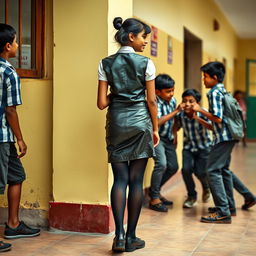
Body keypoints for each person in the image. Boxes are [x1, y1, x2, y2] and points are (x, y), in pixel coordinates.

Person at [97, 17, 159, 252]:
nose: (145, 42)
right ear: (131, 37)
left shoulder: (105, 63)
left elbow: (102, 103)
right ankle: (132, 236)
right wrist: (155, 128)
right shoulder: (146, 64)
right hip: (140, 125)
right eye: (144, 37)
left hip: (116, 125)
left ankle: (119, 237)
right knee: (136, 181)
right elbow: (151, 100)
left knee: (120, 180)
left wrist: (117, 95)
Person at [0, 23, 40, 251]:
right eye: (16, 41)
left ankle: (13, 224)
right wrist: (21, 139)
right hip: (2, 136)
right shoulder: (8, 72)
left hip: (4, 137)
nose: (18, 45)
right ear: (8, 46)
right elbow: (10, 110)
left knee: (16, 175)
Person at [193, 61, 238, 223]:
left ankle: (223, 211)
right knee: (224, 170)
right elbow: (217, 122)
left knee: (212, 170)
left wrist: (200, 110)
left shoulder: (213, 93)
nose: (203, 80)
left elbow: (217, 119)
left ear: (214, 77)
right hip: (229, 136)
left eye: (205, 77)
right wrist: (200, 117)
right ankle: (230, 206)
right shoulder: (223, 90)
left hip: (223, 138)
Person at [148, 74, 180, 212]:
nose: (171, 94)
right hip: (157, 139)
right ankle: (154, 198)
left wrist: (175, 134)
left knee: (173, 166)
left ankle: (155, 191)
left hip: (168, 138)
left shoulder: (172, 101)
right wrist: (176, 111)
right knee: (161, 164)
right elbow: (158, 121)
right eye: (168, 91)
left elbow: (174, 122)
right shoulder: (154, 102)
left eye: (172, 90)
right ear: (157, 91)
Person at [175, 89, 211, 208]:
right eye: (184, 101)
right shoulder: (181, 114)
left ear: (197, 103)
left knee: (200, 172)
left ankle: (206, 187)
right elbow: (176, 127)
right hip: (188, 147)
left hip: (204, 147)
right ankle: (192, 196)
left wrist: (197, 118)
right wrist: (175, 137)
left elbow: (212, 127)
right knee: (186, 170)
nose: (187, 104)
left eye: (191, 101)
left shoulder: (203, 112)